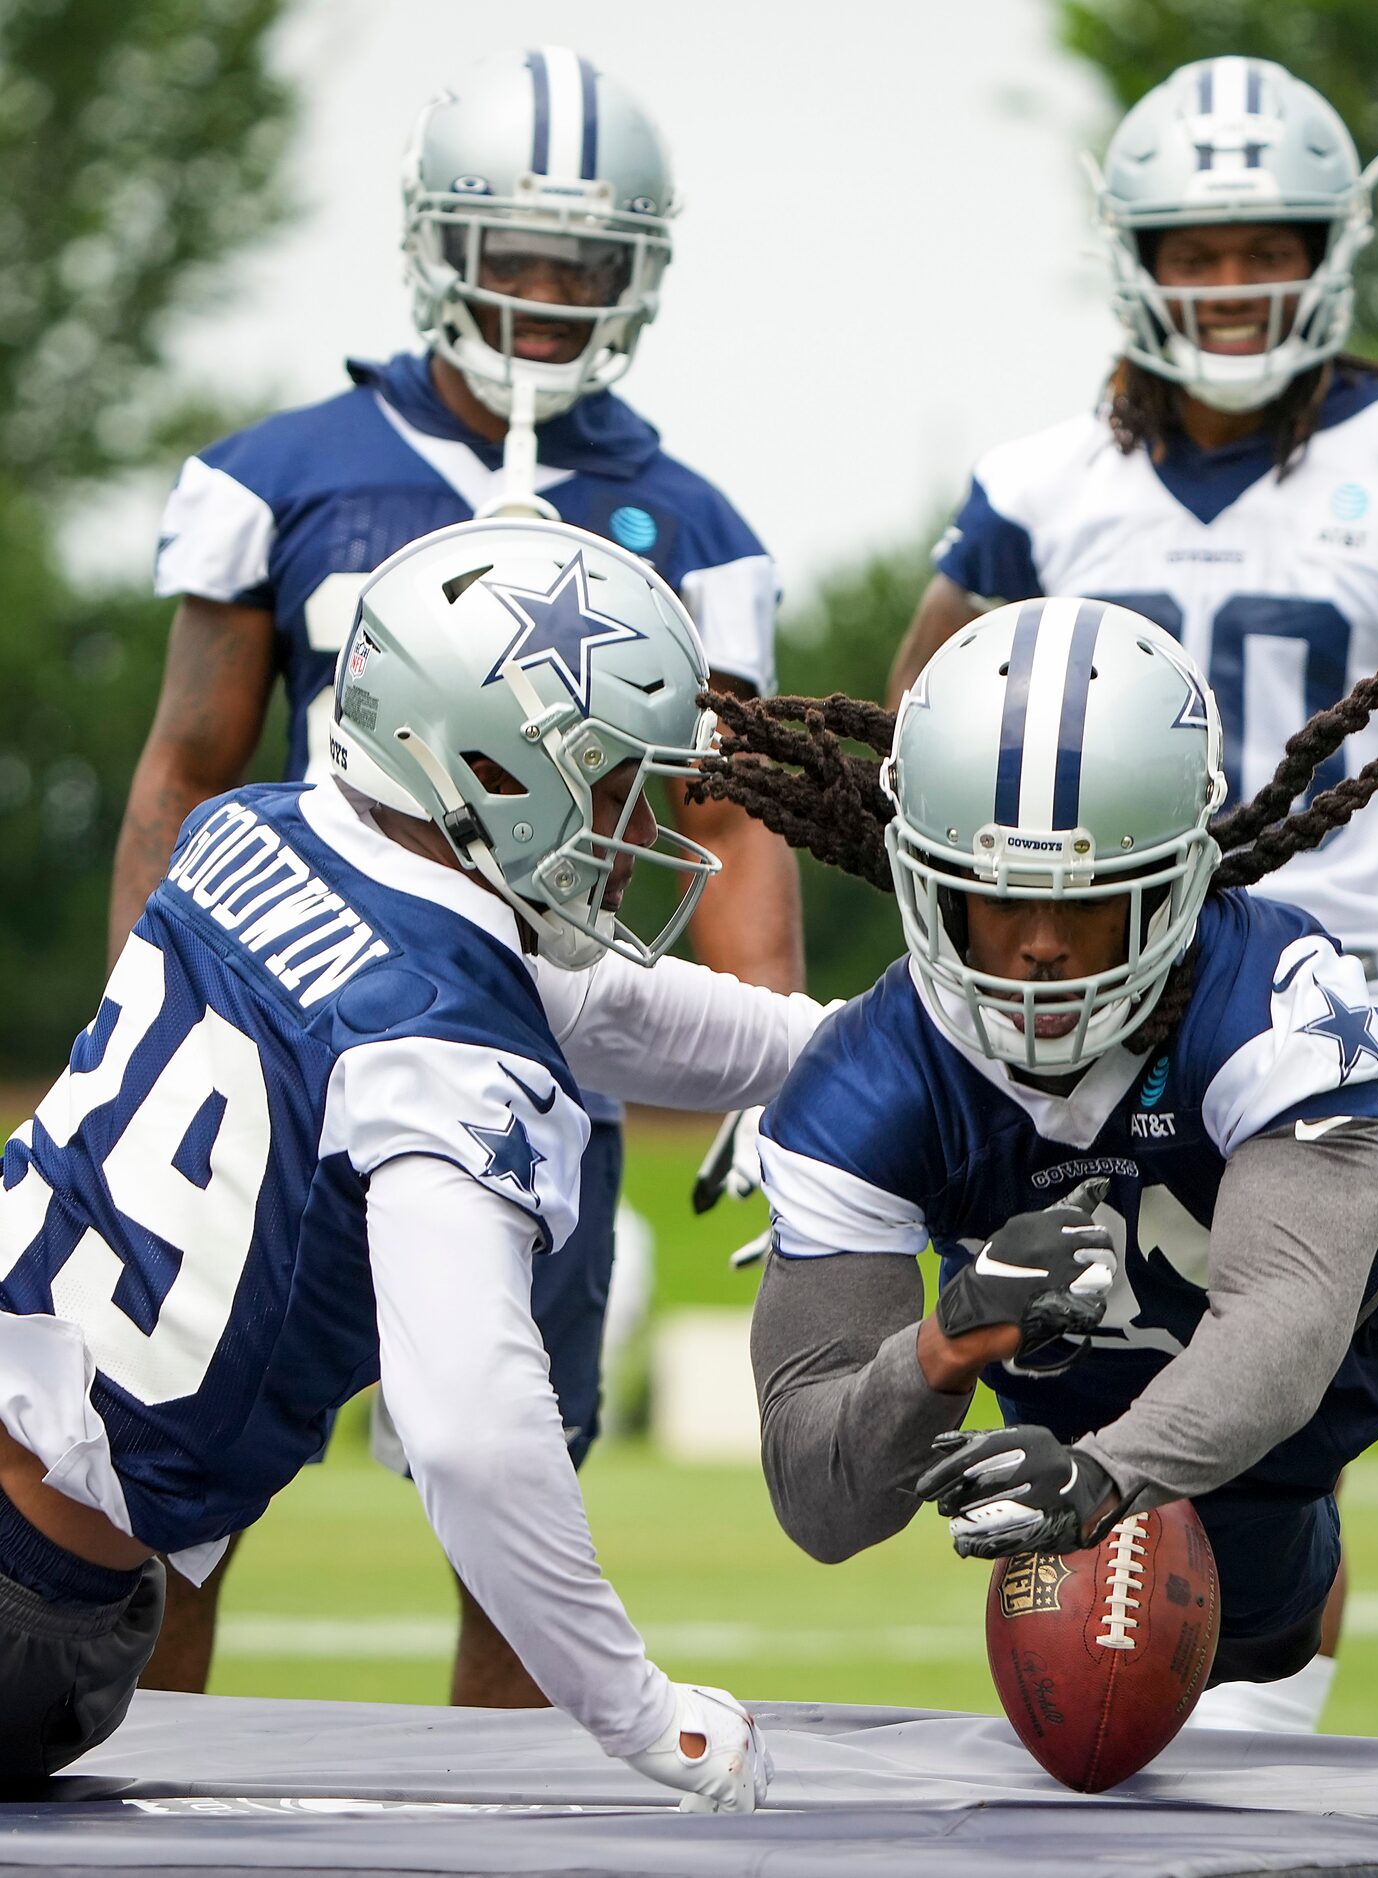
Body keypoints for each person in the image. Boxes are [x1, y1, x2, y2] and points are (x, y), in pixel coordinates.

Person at [883, 55, 1378, 1728]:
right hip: (1100, 1020)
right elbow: (915, 742)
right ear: (1135, 256)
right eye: (1197, 244)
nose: (1234, 279)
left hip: (1342, 1006)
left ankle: (1249, 1696)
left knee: (1287, 1344)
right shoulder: (1044, 491)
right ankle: (1249, 1681)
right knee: (1219, 1390)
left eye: (1270, 240)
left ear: (1334, 247)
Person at [108, 44, 802, 1702]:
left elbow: (730, 812)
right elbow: (189, 767)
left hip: (530, 1060)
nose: (551, 293)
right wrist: (146, 997)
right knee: (166, 1499)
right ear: (439, 241)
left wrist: (772, 1052)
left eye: (587, 262)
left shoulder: (688, 522)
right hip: (286, 1045)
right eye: (518, 251)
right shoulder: (285, 472)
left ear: (642, 274)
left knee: (509, 1500)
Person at [692, 600, 1378, 1723]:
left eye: (1088, 900)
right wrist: (942, 1345)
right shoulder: (863, 1089)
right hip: (1187, 1445)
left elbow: (1287, 1318)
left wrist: (1107, 1471)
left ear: (1177, 884)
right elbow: (821, 1499)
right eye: (997, 893)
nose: (1037, 944)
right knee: (1186, 1666)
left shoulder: (1260, 991)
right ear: (921, 877)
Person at [0, 516, 818, 1795]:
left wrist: (891, 1053)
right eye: (608, 783)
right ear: (487, 767)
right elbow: (472, 1441)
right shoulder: (438, 1052)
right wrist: (645, 1716)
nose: (634, 823)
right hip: (24, 1593)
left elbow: (596, 1009)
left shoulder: (253, 832)